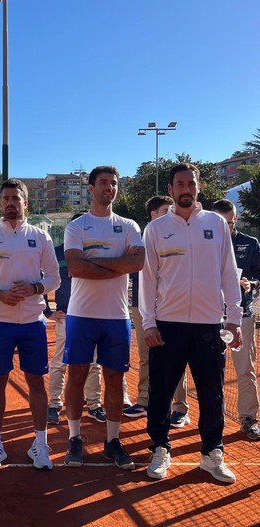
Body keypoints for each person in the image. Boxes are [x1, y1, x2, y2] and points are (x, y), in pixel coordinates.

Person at [141, 163, 242, 483]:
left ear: (198, 187)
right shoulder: (156, 229)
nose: (186, 188)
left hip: (209, 325)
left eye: (191, 183)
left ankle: (212, 452)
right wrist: (148, 322)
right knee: (160, 392)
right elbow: (147, 279)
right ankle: (160, 448)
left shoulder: (215, 223)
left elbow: (228, 270)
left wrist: (235, 318)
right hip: (167, 324)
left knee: (212, 393)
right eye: (180, 184)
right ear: (171, 189)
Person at [0, 179, 60, 470]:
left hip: (33, 323)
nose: (10, 203)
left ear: (25, 203)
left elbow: (55, 278)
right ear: (1, 202)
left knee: (36, 384)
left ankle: (40, 444)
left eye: (15, 199)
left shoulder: (40, 238)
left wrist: (35, 289)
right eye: (6, 198)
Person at [63, 166, 145, 470]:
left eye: (113, 183)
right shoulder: (77, 226)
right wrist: (117, 265)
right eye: (103, 183)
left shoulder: (128, 225)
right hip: (81, 315)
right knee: (77, 379)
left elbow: (137, 262)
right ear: (90, 188)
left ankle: (112, 442)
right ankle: (74, 438)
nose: (108, 188)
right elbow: (76, 268)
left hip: (116, 316)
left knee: (115, 379)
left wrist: (95, 261)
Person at [124, 196, 190, 427]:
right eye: (165, 209)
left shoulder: (180, 235)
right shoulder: (139, 237)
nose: (171, 212)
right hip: (142, 305)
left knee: (177, 357)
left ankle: (180, 407)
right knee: (145, 356)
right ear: (153, 214)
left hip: (172, 306)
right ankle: (144, 400)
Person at [46, 212, 107, 426]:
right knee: (60, 361)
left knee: (94, 362)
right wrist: (47, 311)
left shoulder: (96, 252)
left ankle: (93, 404)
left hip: (93, 315)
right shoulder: (57, 252)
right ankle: (54, 404)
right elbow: (43, 278)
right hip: (66, 316)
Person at [211, 198, 260, 441]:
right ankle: (212, 420)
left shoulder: (250, 244)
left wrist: (251, 284)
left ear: (236, 219)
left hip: (243, 316)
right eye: (221, 223)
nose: (226, 228)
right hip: (209, 316)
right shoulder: (205, 242)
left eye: (230, 223)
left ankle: (248, 418)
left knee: (244, 369)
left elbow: (259, 276)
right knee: (210, 370)